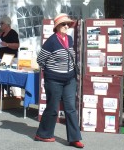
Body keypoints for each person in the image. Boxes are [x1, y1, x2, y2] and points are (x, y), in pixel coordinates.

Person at [35, 13, 84, 148]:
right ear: (57, 27)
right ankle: (43, 134)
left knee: (71, 108)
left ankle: (74, 138)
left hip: (69, 79)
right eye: (63, 24)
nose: (66, 26)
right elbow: (40, 60)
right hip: (54, 80)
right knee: (52, 108)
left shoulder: (69, 39)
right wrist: (52, 70)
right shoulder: (51, 41)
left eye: (68, 24)